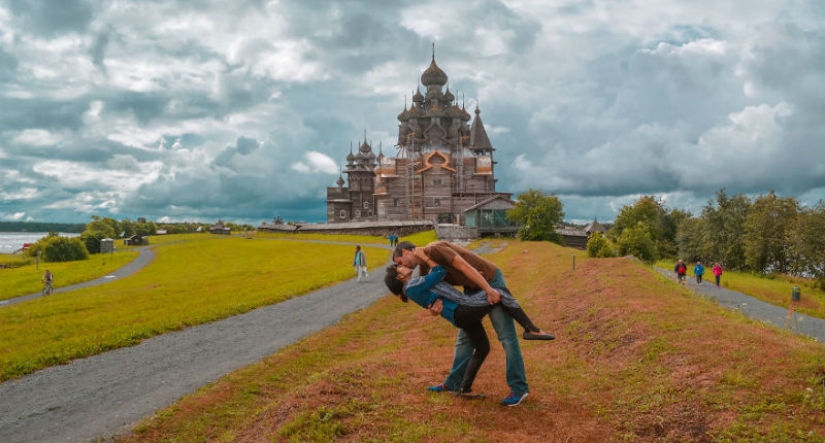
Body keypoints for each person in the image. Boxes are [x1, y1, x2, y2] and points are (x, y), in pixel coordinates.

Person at [384, 258, 553, 396]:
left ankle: (464, 388)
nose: (403, 266)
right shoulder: (413, 285)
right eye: (399, 267)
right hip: (463, 311)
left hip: (459, 317)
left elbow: (432, 291)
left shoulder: (411, 289)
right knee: (499, 292)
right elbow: (440, 272)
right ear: (399, 276)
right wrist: (427, 258)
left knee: (483, 348)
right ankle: (531, 329)